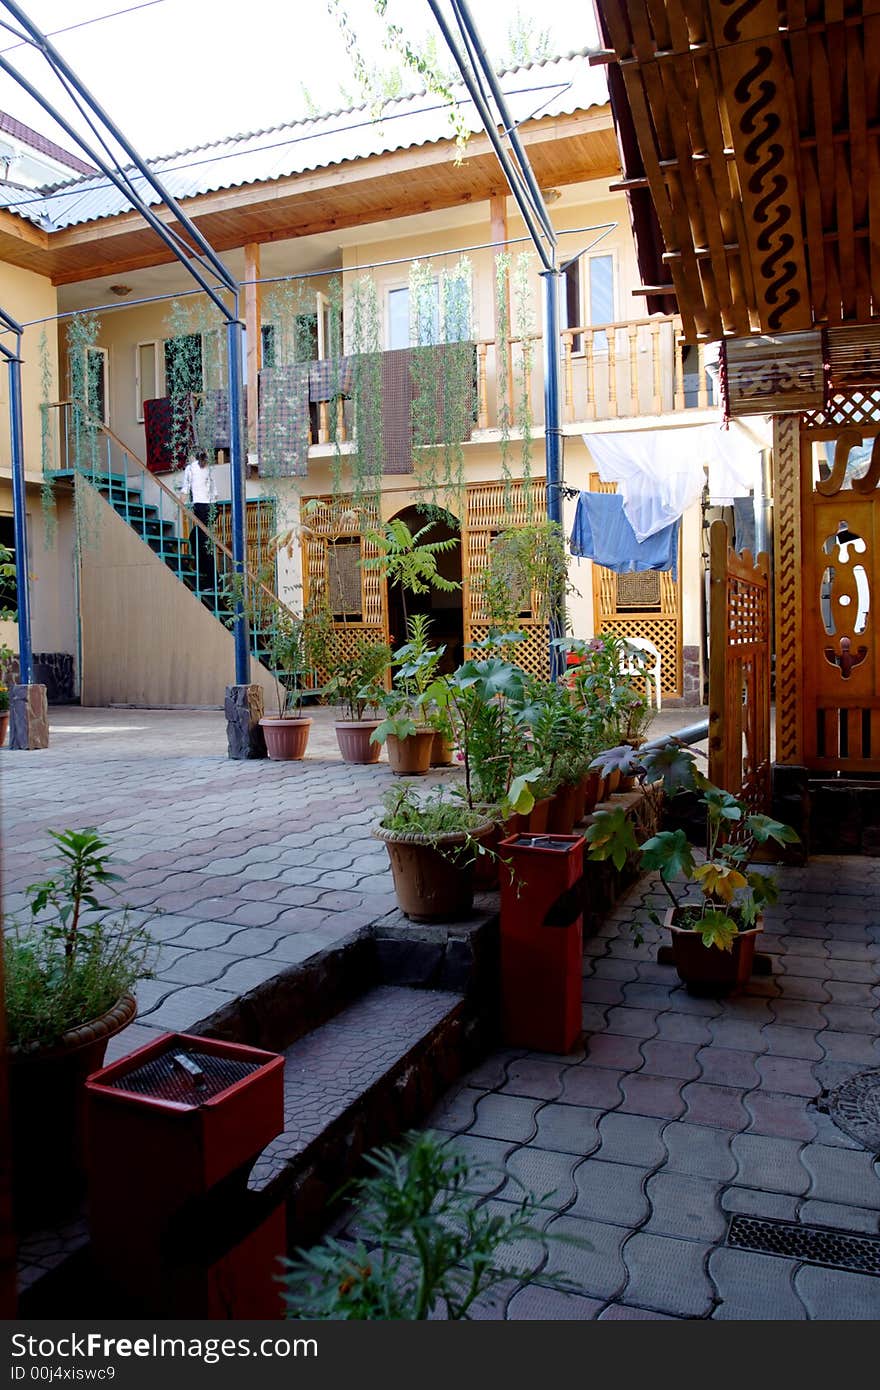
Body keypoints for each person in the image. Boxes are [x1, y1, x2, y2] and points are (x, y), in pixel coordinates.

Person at [177, 449, 217, 592]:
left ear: (192, 456)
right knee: (196, 538)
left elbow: (185, 490)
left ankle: (212, 580)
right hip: (212, 508)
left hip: (201, 508)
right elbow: (214, 492)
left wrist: (179, 507)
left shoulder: (191, 468)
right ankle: (208, 577)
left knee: (200, 543)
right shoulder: (208, 469)